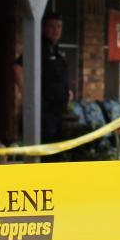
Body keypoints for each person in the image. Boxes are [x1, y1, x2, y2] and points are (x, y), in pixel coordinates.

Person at [13, 12, 71, 143]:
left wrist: (67, 91)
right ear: (44, 28)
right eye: (52, 26)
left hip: (59, 111)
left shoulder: (57, 50)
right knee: (45, 153)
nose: (56, 30)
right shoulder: (38, 47)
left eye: (59, 26)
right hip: (44, 113)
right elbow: (17, 67)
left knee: (57, 154)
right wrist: (27, 94)